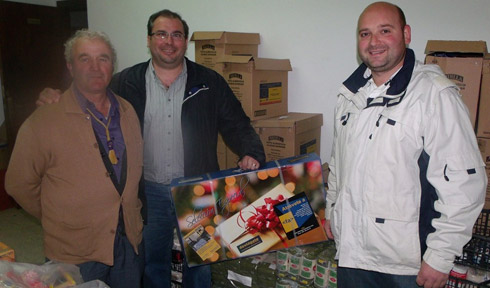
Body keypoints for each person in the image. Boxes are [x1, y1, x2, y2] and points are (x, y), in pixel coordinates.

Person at [38, 9, 265, 288]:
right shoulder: (124, 82)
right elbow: (87, 96)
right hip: (146, 193)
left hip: (196, 192)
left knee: (200, 261)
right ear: (149, 40)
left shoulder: (209, 82)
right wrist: (57, 98)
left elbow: (237, 123)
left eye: (176, 35)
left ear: (185, 40)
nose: (168, 41)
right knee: (151, 263)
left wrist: (251, 151)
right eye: (161, 34)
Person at [324, 2, 487, 288]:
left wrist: (440, 256)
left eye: (384, 31)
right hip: (352, 255)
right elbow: (339, 165)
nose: (374, 42)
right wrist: (332, 210)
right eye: (365, 34)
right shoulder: (349, 97)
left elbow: (463, 183)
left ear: (406, 34)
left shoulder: (434, 95)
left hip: (405, 265)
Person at [5, 30, 144, 288]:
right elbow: (18, 185)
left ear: (112, 65)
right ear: (70, 66)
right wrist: (59, 216)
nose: (94, 67)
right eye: (84, 59)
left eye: (102, 58)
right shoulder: (43, 120)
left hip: (128, 242)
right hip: (75, 251)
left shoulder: (127, 111)